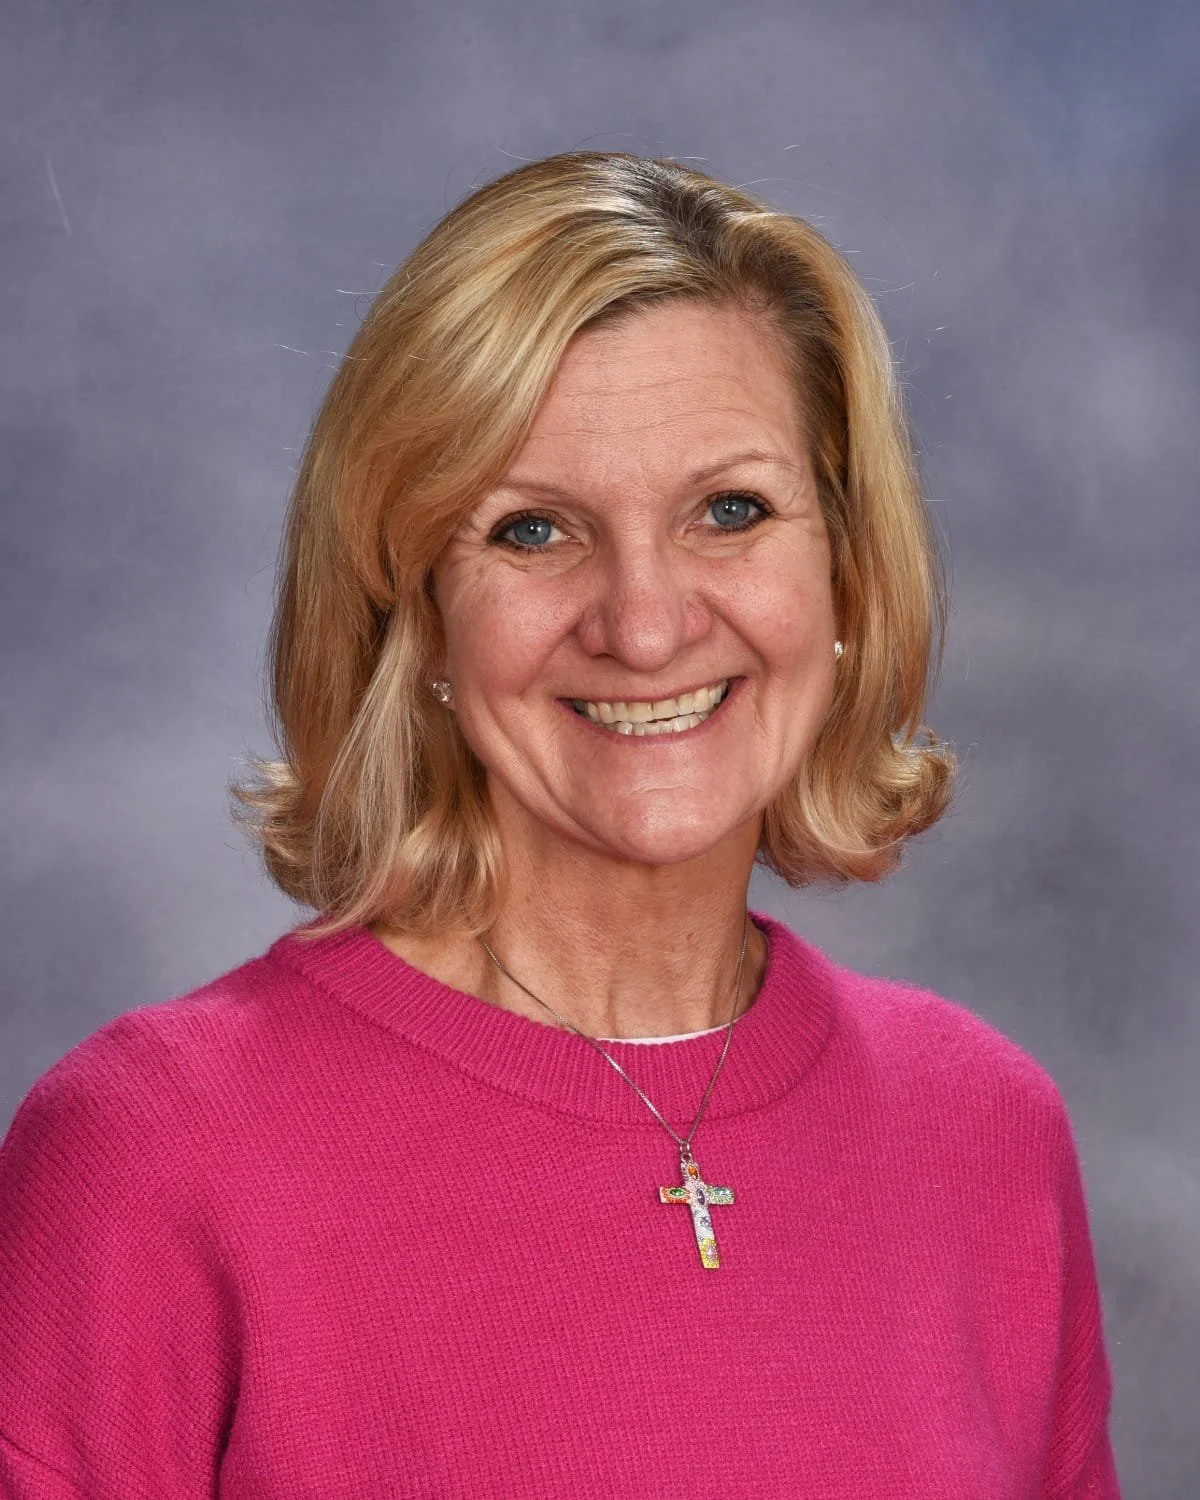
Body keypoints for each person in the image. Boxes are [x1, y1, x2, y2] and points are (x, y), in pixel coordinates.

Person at [0, 152, 1119, 1498]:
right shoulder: (154, 1154)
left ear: (846, 572)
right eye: (533, 531)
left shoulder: (985, 1132)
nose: (645, 623)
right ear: (407, 607)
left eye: (731, 511)